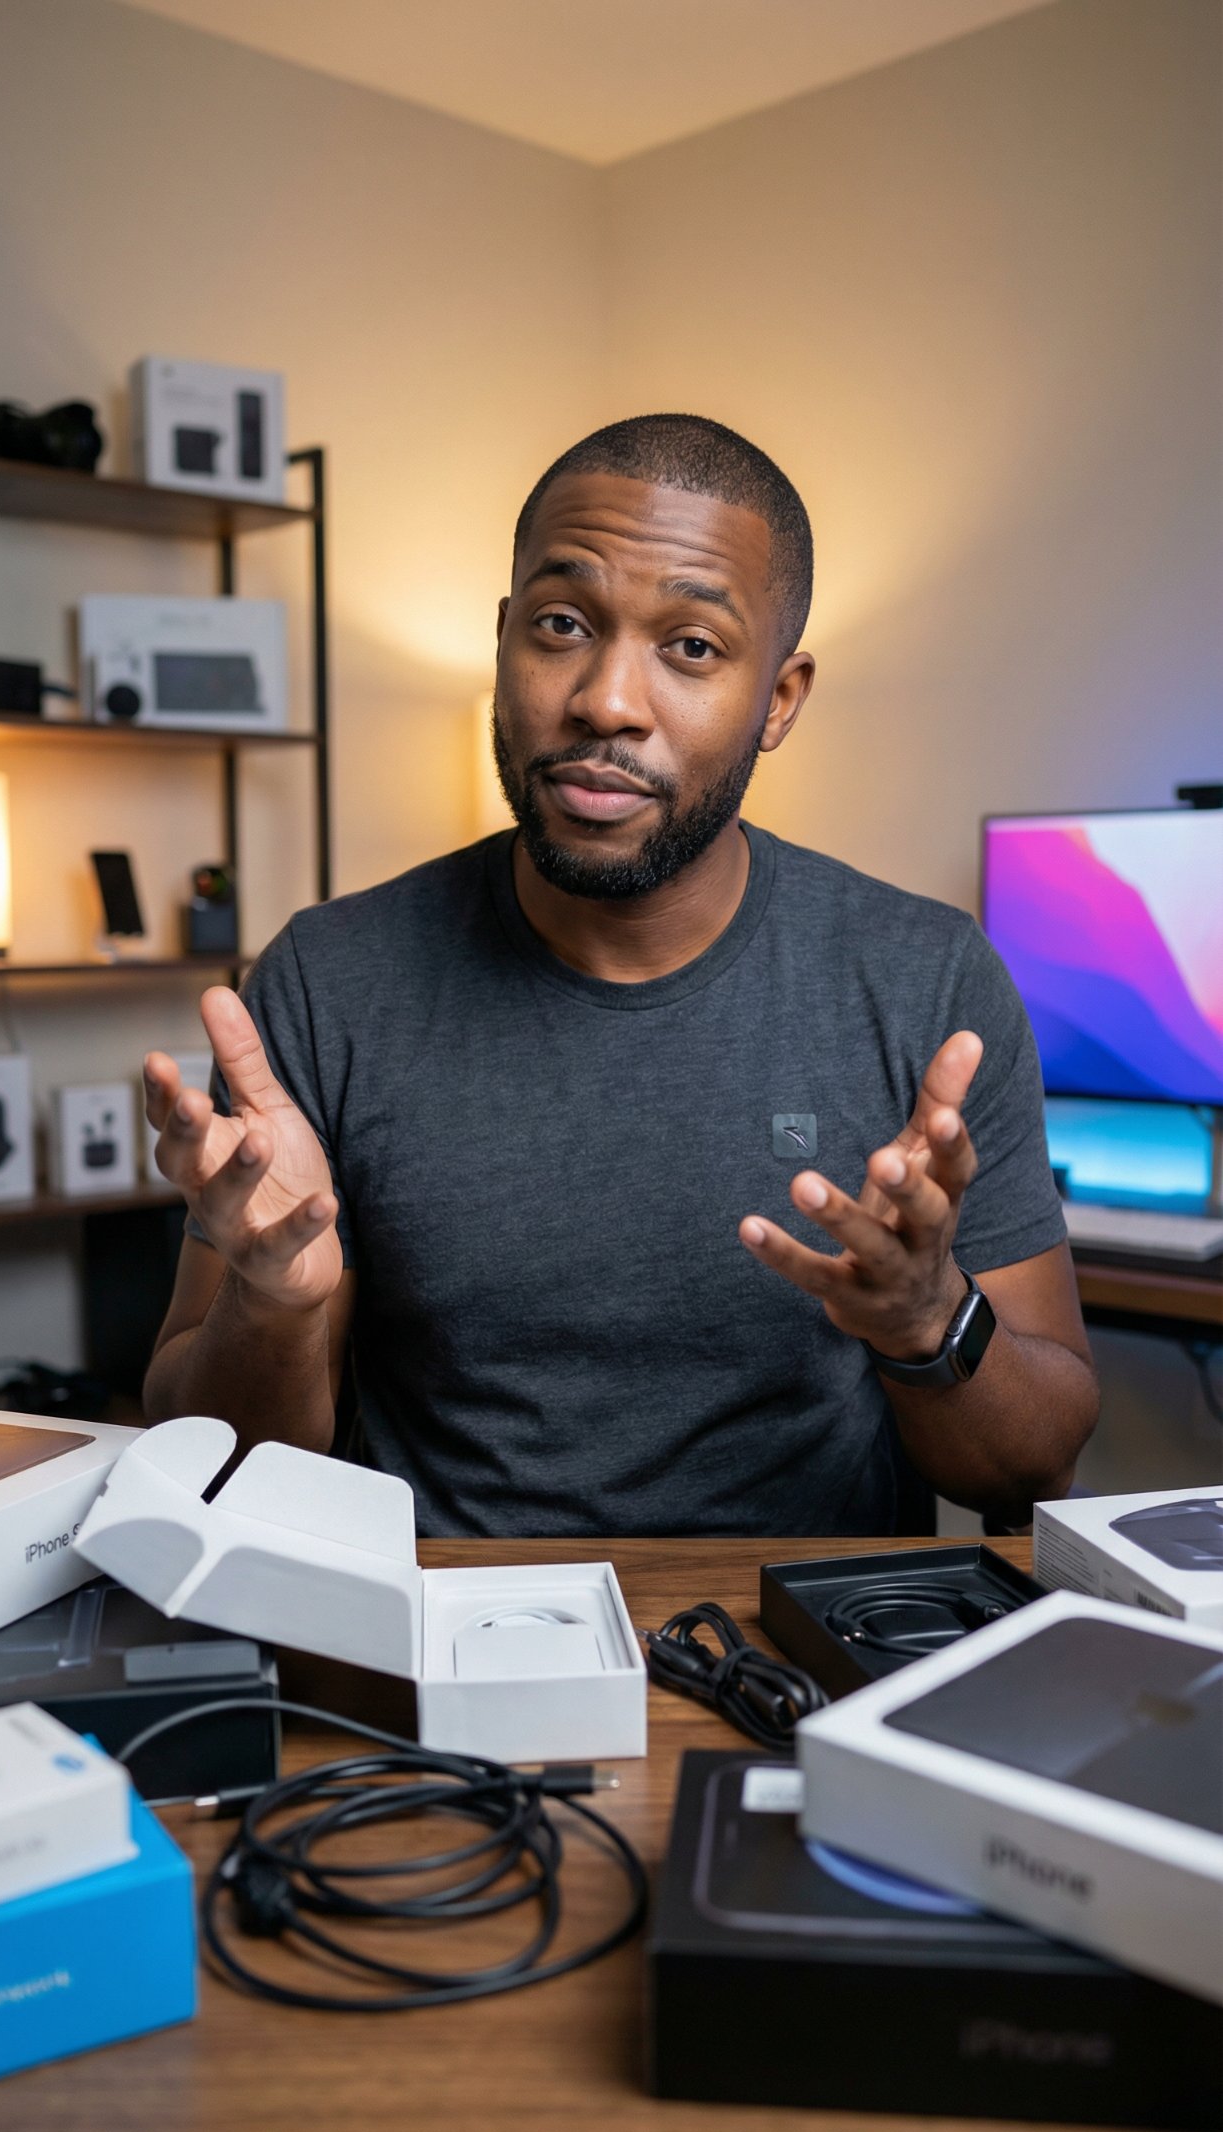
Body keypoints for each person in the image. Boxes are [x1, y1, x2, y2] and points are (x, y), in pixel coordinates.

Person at [142, 414, 1098, 1535]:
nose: (604, 700)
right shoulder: (327, 981)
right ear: (503, 641)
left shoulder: (924, 980)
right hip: (436, 1626)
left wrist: (929, 1321)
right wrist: (275, 1307)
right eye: (560, 624)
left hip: (795, 1631)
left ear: (778, 699)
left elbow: (1029, 1471)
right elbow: (213, 1469)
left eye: (689, 645)